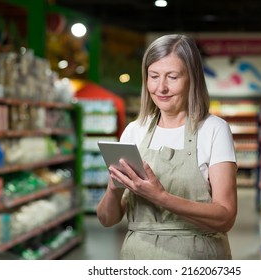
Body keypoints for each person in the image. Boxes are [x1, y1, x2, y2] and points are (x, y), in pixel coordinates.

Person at [97, 34, 237, 260]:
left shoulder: (214, 130)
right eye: (153, 76)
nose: (161, 87)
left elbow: (226, 217)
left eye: (172, 77)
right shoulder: (135, 131)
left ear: (192, 79)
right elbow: (106, 219)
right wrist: (114, 190)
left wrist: (161, 197)